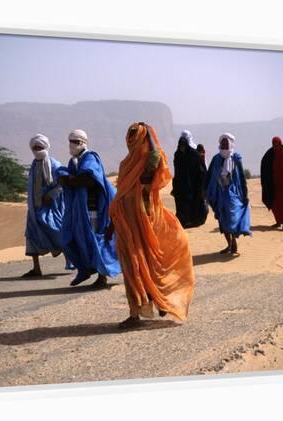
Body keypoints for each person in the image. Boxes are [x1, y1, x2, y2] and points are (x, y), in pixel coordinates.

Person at [107, 122, 196, 328]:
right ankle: (136, 312)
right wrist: (113, 222)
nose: (131, 139)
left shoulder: (147, 165)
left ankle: (160, 299)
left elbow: (156, 157)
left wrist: (150, 137)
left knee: (148, 264)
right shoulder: (126, 164)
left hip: (146, 221)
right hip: (126, 223)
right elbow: (120, 196)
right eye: (129, 134)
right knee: (132, 267)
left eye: (135, 135)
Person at [57, 129, 121, 287]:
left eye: (75, 142)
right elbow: (67, 178)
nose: (72, 145)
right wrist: (67, 178)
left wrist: (69, 180)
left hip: (93, 210)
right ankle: (84, 270)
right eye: (70, 141)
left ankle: (102, 276)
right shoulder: (74, 161)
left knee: (95, 241)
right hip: (78, 210)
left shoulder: (90, 157)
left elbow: (88, 179)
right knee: (72, 239)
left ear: (82, 142)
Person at [22, 134, 70, 277]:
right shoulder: (34, 164)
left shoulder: (54, 164)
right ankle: (36, 268)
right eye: (35, 148)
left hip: (51, 208)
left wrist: (51, 195)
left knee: (58, 232)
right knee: (31, 234)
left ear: (46, 147)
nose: (37, 150)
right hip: (34, 207)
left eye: (40, 147)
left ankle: (73, 261)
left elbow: (63, 184)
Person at [205, 133, 251, 254]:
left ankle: (234, 242)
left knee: (232, 219)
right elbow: (209, 175)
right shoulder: (216, 159)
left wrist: (245, 194)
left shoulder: (236, 159)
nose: (224, 145)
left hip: (233, 194)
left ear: (230, 144)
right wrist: (205, 191)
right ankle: (229, 244)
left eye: (226, 143)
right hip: (218, 193)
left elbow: (241, 177)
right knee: (221, 218)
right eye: (222, 143)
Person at [171, 130, 208, 228]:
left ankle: (195, 219)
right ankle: (183, 220)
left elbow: (202, 170)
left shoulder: (194, 155)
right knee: (181, 204)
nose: (182, 147)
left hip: (193, 184)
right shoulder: (178, 154)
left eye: (184, 145)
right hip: (181, 184)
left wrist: (202, 185)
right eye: (181, 145)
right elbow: (177, 169)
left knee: (194, 202)